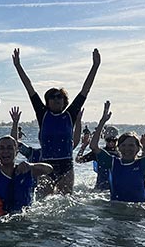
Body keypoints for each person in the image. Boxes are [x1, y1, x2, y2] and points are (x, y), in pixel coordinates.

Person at [12, 47, 100, 194]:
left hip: (66, 165)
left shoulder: (70, 115)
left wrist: (95, 66)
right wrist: (18, 66)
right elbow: (29, 88)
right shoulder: (43, 114)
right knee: (44, 202)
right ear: (47, 101)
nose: (56, 99)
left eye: (59, 96)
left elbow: (85, 90)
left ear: (64, 100)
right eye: (52, 97)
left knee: (65, 203)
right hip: (46, 165)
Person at [89, 96, 145, 203]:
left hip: (138, 211)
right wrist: (102, 121)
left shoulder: (143, 164)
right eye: (124, 145)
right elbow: (94, 146)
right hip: (116, 210)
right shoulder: (113, 162)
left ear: (138, 148)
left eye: (131, 145)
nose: (127, 149)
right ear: (118, 148)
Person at [0, 133, 54, 217]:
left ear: (16, 151)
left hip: (22, 218)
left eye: (9, 148)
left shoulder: (26, 170)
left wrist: (31, 165)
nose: (5, 151)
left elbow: (49, 169)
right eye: (2, 148)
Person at [76, 124, 145, 190]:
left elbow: (142, 160)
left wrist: (143, 147)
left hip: (117, 188)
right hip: (101, 189)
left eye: (114, 140)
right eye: (109, 140)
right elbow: (78, 160)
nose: (111, 143)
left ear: (117, 140)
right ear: (105, 139)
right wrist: (83, 146)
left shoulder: (123, 153)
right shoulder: (99, 153)